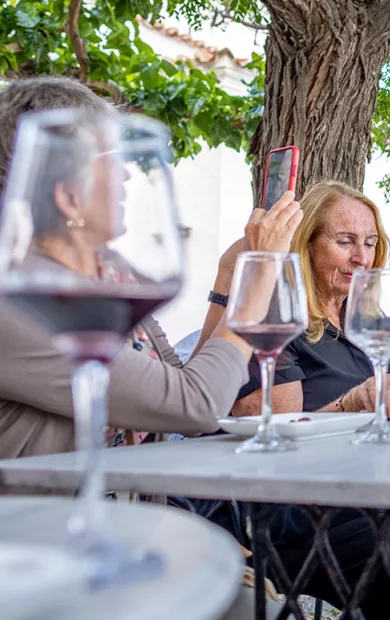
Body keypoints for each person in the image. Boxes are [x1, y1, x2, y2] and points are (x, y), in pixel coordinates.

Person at [202, 180, 390, 620]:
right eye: (345, 242)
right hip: (299, 508)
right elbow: (277, 441)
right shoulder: (277, 321)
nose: (361, 257)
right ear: (307, 244)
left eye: (370, 243)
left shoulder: (373, 327)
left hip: (376, 491)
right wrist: (352, 404)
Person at [0, 77, 301, 460]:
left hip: (136, 508)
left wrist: (230, 277)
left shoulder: (107, 272)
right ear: (66, 191)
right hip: (44, 518)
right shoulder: (23, 297)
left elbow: (185, 382)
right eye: (110, 159)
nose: (126, 174)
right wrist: (261, 271)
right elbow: (195, 405)